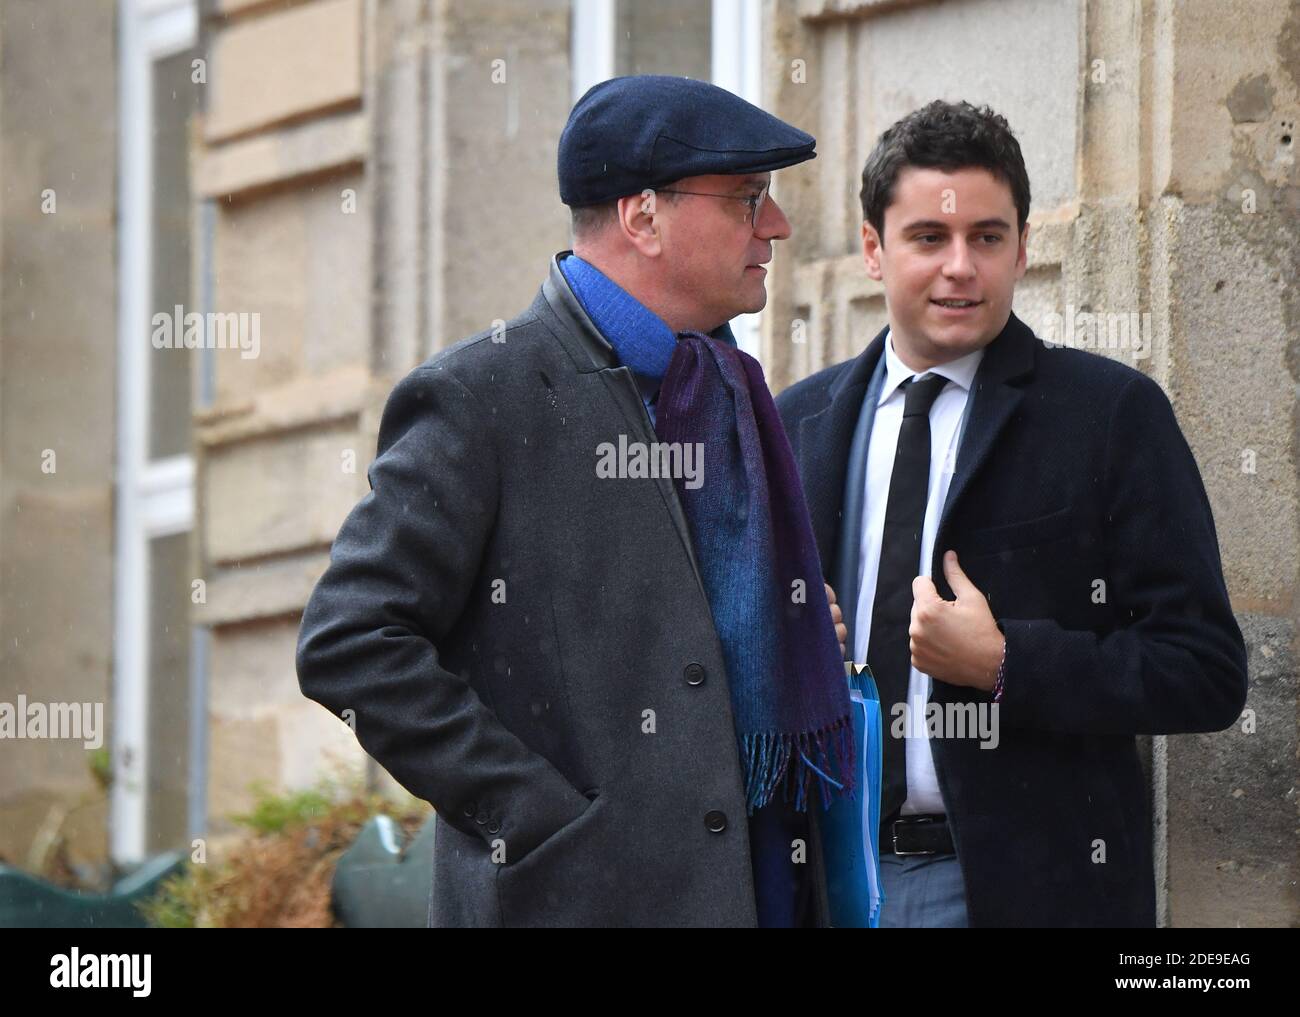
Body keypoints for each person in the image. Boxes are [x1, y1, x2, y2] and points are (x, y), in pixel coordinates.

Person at [296, 75, 854, 928]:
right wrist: (535, 816)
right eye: (748, 198)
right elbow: (348, 645)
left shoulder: (729, 392)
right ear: (642, 216)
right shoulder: (482, 395)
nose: (775, 224)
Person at [776, 99, 1248, 927]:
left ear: (1023, 249)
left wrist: (1006, 663)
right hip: (825, 881)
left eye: (987, 238)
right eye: (929, 237)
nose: (961, 266)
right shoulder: (793, 421)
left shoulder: (1109, 415)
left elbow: (1204, 671)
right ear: (872, 250)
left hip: (1023, 890)